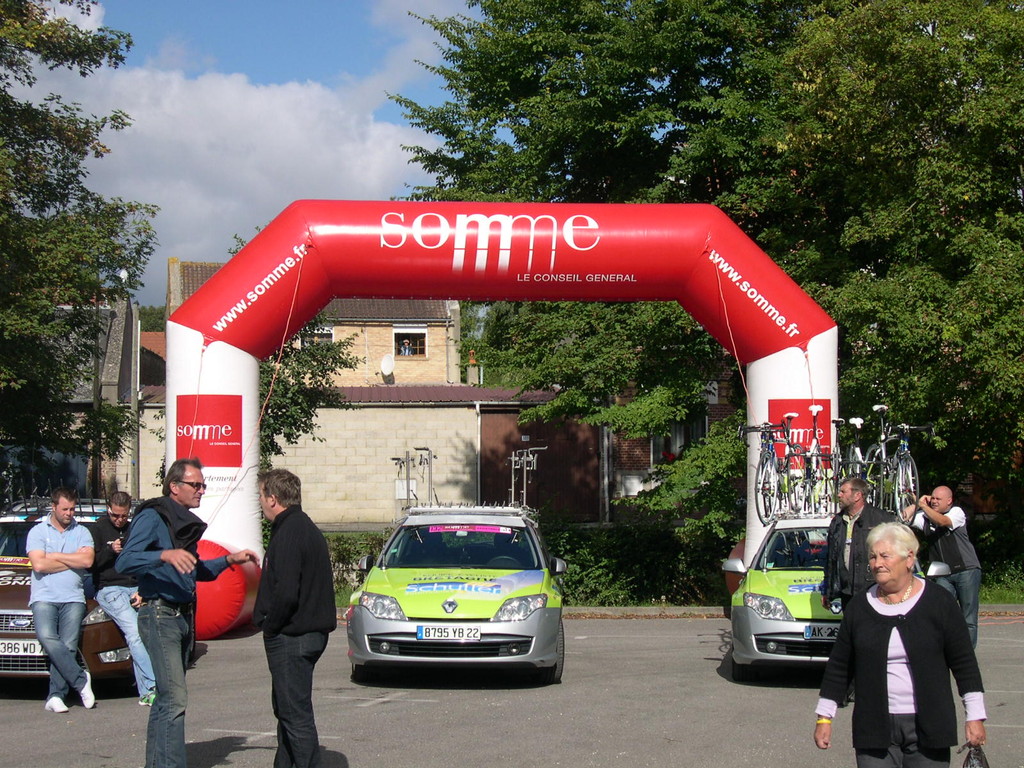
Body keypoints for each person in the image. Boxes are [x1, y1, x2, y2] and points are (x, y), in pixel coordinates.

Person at [116, 458, 258, 768]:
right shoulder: (154, 517)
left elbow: (196, 571)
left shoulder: (181, 525)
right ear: (174, 486)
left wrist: (230, 560)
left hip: (180, 617)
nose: (202, 490)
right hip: (159, 614)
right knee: (175, 698)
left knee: (167, 700)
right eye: (196, 485)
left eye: (203, 485)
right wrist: (164, 554)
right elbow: (125, 561)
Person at [814, 522, 986, 766]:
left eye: (885, 556)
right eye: (873, 556)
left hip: (929, 729)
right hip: (874, 730)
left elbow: (964, 663)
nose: (877, 563)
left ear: (909, 558)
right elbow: (840, 666)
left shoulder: (939, 603)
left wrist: (975, 716)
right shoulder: (859, 607)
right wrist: (824, 718)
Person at [253, 469, 337, 768]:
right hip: (304, 634)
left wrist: (270, 627)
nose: (260, 502)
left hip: (293, 636)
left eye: (261, 496)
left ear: (273, 499)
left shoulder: (290, 532)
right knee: (287, 711)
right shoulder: (302, 526)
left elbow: (286, 593)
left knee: (295, 715)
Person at [26, 487, 96, 712]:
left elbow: (87, 562)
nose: (69, 513)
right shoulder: (37, 532)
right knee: (47, 637)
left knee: (67, 645)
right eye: (65, 509)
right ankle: (80, 679)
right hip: (44, 596)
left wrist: (54, 556)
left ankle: (56, 695)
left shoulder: (82, 532)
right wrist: (70, 559)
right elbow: (39, 564)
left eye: (72, 509)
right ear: (53, 507)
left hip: (73, 597)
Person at [91, 490, 156, 705]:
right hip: (110, 588)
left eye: (124, 516)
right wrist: (110, 550)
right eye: (115, 515)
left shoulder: (134, 528)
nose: (119, 520)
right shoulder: (98, 529)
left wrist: (143, 589)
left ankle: (146, 692)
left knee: (148, 634)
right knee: (135, 633)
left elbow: (145, 560)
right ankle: (152, 685)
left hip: (134, 586)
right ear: (108, 510)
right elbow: (91, 565)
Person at [903, 486, 982, 648]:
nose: (934, 501)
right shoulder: (924, 517)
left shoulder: (957, 512)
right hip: (942, 573)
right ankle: (946, 651)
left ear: (949, 501)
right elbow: (903, 518)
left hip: (966, 570)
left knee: (968, 617)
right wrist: (917, 504)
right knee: (942, 615)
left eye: (938, 499)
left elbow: (942, 521)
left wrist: (924, 507)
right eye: (932, 498)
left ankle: (967, 654)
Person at [823, 477, 891, 612]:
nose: (839, 495)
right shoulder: (837, 521)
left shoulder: (880, 519)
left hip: (874, 590)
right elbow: (831, 559)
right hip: (846, 591)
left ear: (857, 495)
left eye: (843, 492)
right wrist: (828, 591)